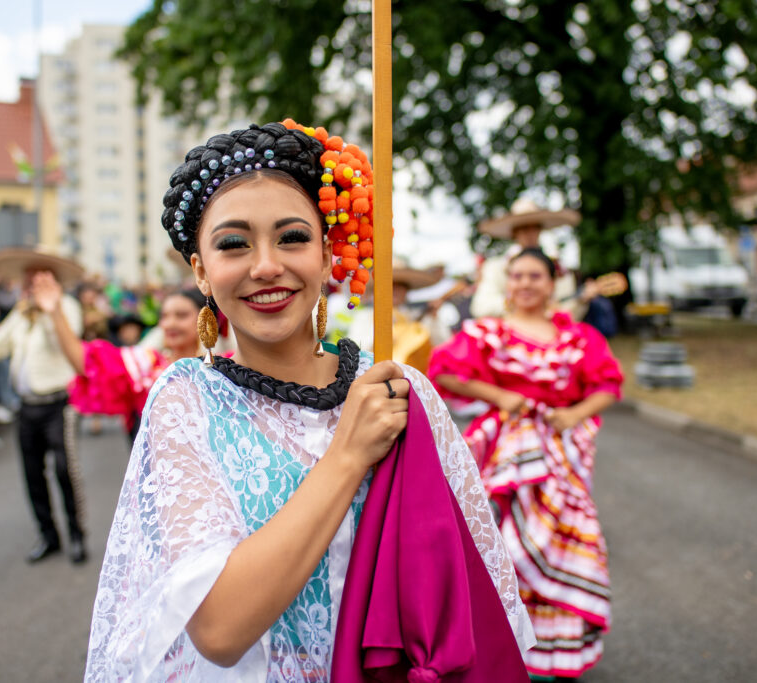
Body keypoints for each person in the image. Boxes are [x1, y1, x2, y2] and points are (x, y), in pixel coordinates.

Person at [84, 120, 534, 681]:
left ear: (326, 256)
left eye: (292, 237)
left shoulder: (399, 392)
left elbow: (463, 594)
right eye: (233, 243)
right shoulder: (187, 402)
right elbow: (219, 629)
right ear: (200, 271)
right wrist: (348, 455)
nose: (266, 265)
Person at [429, 247, 624, 680]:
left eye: (535, 276)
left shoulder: (577, 337)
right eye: (517, 276)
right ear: (507, 283)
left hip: (560, 454)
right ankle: (499, 649)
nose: (525, 283)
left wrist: (573, 414)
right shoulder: (488, 332)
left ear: (552, 282)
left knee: (560, 539)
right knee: (498, 545)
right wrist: (499, 397)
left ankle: (552, 654)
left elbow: (609, 384)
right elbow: (442, 371)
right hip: (506, 453)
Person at [0, 252, 88, 565]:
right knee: (33, 474)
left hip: (58, 403)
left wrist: (51, 309)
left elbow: (65, 342)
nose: (32, 283)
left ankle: (76, 534)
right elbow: (1, 338)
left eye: (40, 277)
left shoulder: (66, 308)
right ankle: (48, 535)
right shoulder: (22, 312)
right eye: (29, 278)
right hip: (28, 406)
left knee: (64, 470)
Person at [31, 278, 208, 441]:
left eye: (181, 315)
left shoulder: (222, 370)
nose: (169, 324)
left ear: (205, 319)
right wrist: (55, 312)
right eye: (165, 316)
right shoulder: (147, 365)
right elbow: (86, 363)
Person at [470, 198, 598, 320]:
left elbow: (568, 314)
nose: (529, 233)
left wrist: (580, 301)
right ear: (514, 233)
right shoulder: (496, 267)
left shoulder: (557, 267)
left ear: (540, 229)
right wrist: (520, 302)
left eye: (534, 227)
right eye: (523, 228)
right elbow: (481, 307)